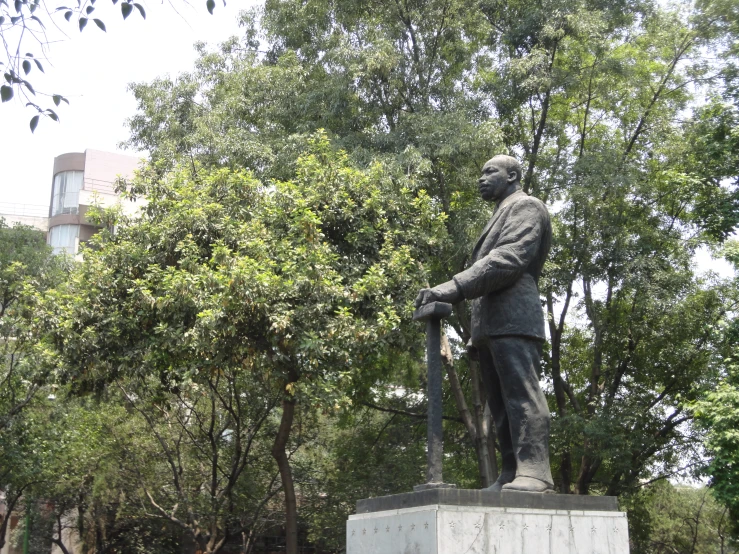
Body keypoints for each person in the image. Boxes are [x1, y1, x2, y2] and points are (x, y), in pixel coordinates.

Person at [415, 154, 554, 493]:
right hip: (492, 324)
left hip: (514, 317)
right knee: (501, 404)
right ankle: (511, 472)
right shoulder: (500, 213)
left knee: (521, 395)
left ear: (513, 175)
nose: (482, 178)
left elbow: (507, 260)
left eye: (490, 171)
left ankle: (535, 472)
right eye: (481, 172)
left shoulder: (527, 207)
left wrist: (452, 288)